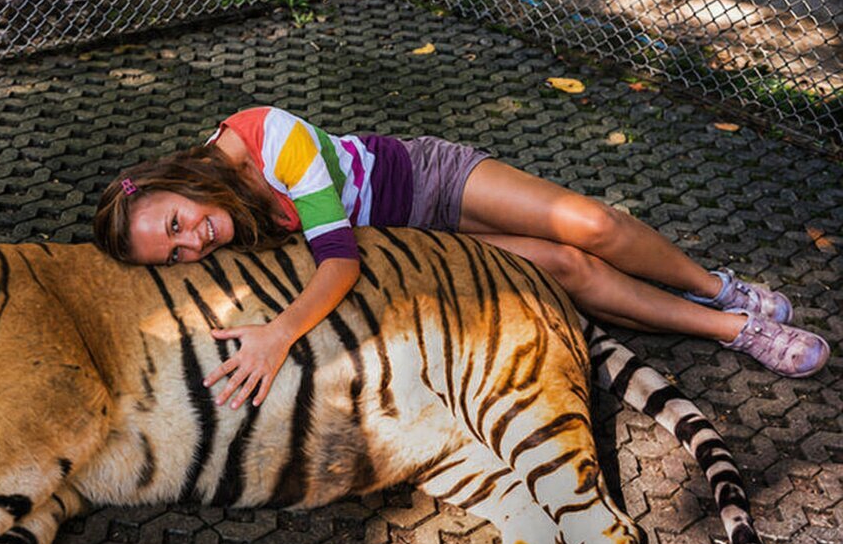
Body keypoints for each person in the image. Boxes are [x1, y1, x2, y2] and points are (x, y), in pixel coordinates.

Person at [93, 106, 829, 409]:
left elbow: (337, 261)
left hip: (428, 181)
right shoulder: (214, 223)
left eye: (178, 223)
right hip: (417, 249)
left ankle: (717, 285)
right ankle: (734, 331)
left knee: (590, 222)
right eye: (176, 254)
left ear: (170, 182)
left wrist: (279, 333)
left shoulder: (264, 132)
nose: (195, 243)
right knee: (565, 270)